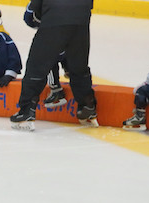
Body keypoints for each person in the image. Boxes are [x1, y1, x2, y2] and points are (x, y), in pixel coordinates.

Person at [10, 0, 96, 130]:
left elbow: (32, 13)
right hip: (81, 24)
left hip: (54, 21)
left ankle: (26, 112)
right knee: (78, 66)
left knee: (36, 67)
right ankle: (87, 106)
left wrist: (45, 21)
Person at [22, 1, 70, 108]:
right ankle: (74, 77)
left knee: (47, 58)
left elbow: (29, 18)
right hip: (69, 34)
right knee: (68, 53)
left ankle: (56, 90)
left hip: (51, 36)